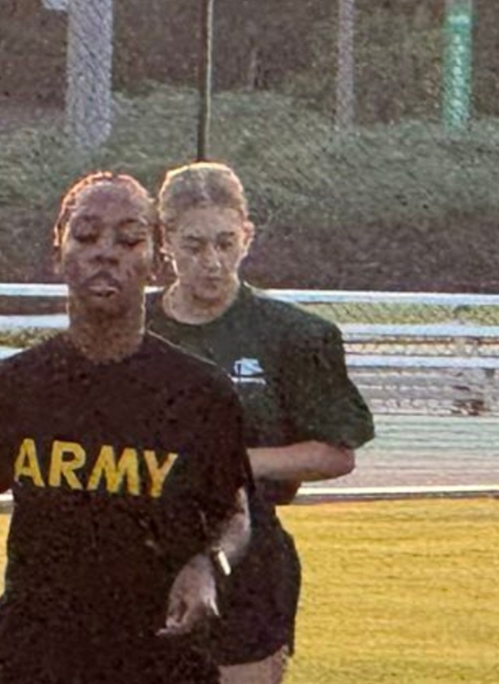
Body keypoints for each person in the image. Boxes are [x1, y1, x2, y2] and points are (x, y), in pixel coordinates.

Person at [0, 173, 251, 683]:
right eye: (87, 235)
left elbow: (237, 516)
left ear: (157, 260)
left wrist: (209, 566)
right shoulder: (15, 384)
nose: (106, 253)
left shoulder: (199, 393)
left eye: (129, 239)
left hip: (156, 655)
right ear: (59, 252)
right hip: (34, 654)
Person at [145, 162, 374, 683]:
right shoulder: (136, 330)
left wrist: (233, 465)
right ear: (166, 242)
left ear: (247, 237)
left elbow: (337, 451)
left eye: (226, 243)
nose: (212, 262)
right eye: (195, 245)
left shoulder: (291, 335)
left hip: (249, 554)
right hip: (140, 551)